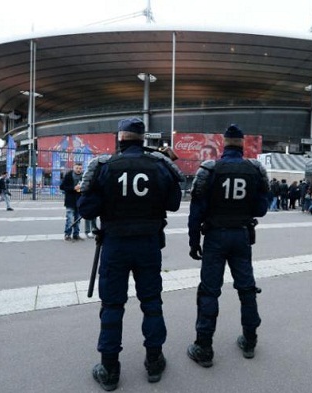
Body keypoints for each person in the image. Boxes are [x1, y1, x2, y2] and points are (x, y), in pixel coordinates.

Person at [78, 118, 182, 390]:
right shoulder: (159, 166)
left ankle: (110, 369)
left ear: (120, 139)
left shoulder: (104, 167)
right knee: (152, 303)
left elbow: (86, 209)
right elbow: (173, 204)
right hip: (148, 245)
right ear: (142, 139)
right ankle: (154, 361)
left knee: (112, 305)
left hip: (115, 245)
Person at [187, 124, 269, 368]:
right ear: (242, 144)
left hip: (214, 237)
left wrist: (194, 242)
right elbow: (261, 209)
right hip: (241, 236)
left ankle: (204, 347)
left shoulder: (210, 170)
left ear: (223, 143)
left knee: (210, 291)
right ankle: (250, 340)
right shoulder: (254, 170)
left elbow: (195, 213)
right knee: (247, 289)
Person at [60, 163, 85, 241]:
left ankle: (76, 234)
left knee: (77, 219)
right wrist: (73, 188)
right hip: (70, 201)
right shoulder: (68, 175)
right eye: (77, 168)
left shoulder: (84, 176)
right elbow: (62, 187)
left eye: (80, 168)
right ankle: (67, 234)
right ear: (74, 168)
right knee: (70, 219)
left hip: (79, 201)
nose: (78, 170)